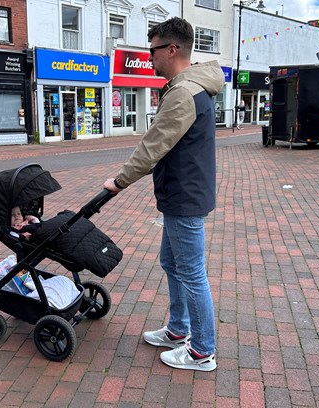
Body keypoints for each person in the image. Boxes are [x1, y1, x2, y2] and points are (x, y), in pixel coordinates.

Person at [103, 17, 222, 372]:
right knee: (173, 264)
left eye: (152, 50)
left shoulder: (183, 92)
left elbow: (152, 146)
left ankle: (201, 351)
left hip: (183, 196)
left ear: (171, 49)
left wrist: (119, 181)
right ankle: (178, 330)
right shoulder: (189, 87)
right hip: (182, 193)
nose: (149, 58)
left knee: (191, 272)